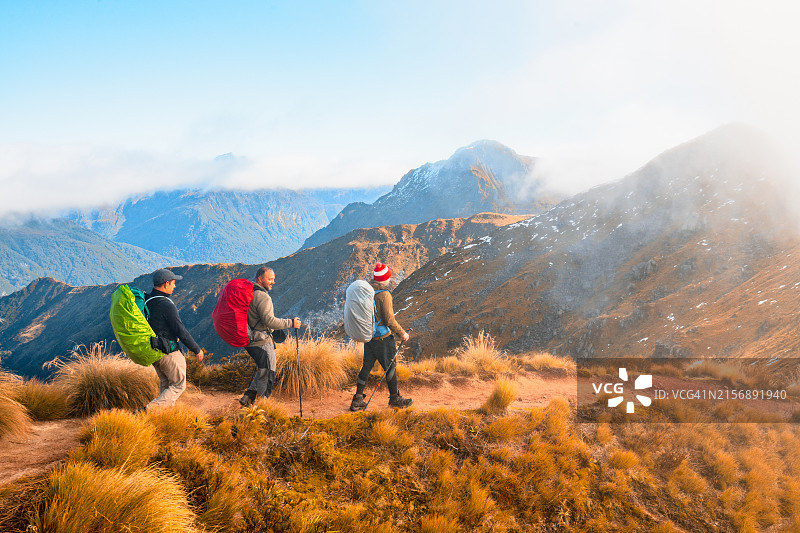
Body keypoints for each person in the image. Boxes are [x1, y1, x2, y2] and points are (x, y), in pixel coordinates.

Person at [350, 262, 412, 411]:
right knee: (390, 367)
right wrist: (402, 333)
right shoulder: (384, 295)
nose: (389, 280)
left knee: (366, 366)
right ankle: (394, 399)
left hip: (369, 337)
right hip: (383, 339)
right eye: (388, 277)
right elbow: (389, 319)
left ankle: (357, 400)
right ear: (384, 278)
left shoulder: (367, 290)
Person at [239, 266, 302, 406]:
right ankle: (262, 405)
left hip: (248, 337)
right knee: (268, 372)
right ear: (260, 279)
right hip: (260, 341)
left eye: (273, 279)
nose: (273, 282)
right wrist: (291, 323)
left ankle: (248, 397)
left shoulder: (250, 292)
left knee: (263, 368)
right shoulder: (262, 296)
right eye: (270, 279)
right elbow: (270, 321)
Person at [145, 268, 204, 410]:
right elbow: (180, 330)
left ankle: (163, 416)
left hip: (154, 350)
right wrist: (196, 349)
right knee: (178, 385)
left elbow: (157, 325)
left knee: (166, 385)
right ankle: (149, 411)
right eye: (173, 283)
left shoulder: (148, 301)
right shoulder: (165, 304)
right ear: (166, 284)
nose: (175, 286)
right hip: (168, 351)